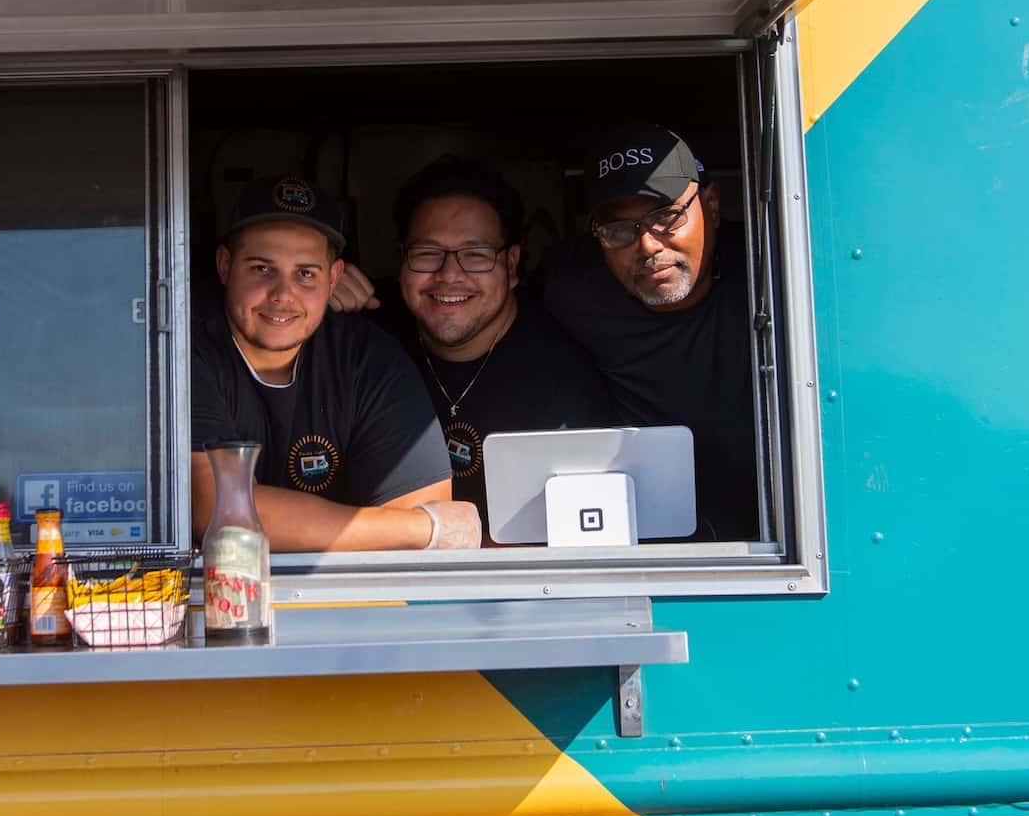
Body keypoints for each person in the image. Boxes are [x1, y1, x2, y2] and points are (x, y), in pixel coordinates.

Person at [190, 176, 481, 552]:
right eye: (262, 269)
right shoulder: (186, 349)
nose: (283, 294)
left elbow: (423, 509)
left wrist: (419, 525)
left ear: (334, 279)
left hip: (347, 600)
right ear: (225, 265)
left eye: (306, 273)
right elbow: (218, 513)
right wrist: (421, 528)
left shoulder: (367, 355)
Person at [540, 125, 758, 540]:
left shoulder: (770, 277)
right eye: (619, 230)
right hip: (636, 539)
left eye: (667, 217)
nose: (647, 246)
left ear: (711, 206)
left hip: (766, 543)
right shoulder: (572, 290)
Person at [388, 156, 613, 531]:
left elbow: (582, 534)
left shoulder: (563, 375)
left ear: (511, 265)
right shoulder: (370, 344)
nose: (449, 275)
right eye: (427, 254)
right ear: (401, 261)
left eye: (475, 255)